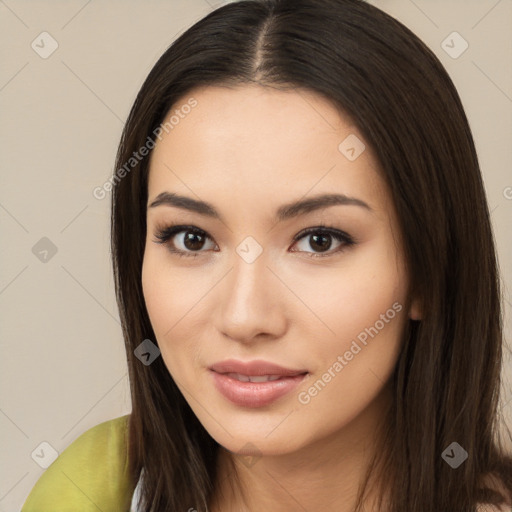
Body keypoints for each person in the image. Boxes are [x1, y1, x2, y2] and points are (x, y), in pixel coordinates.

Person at [21, 0, 512, 511]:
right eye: (192, 238)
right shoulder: (90, 491)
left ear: (429, 273)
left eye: (319, 240)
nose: (244, 317)